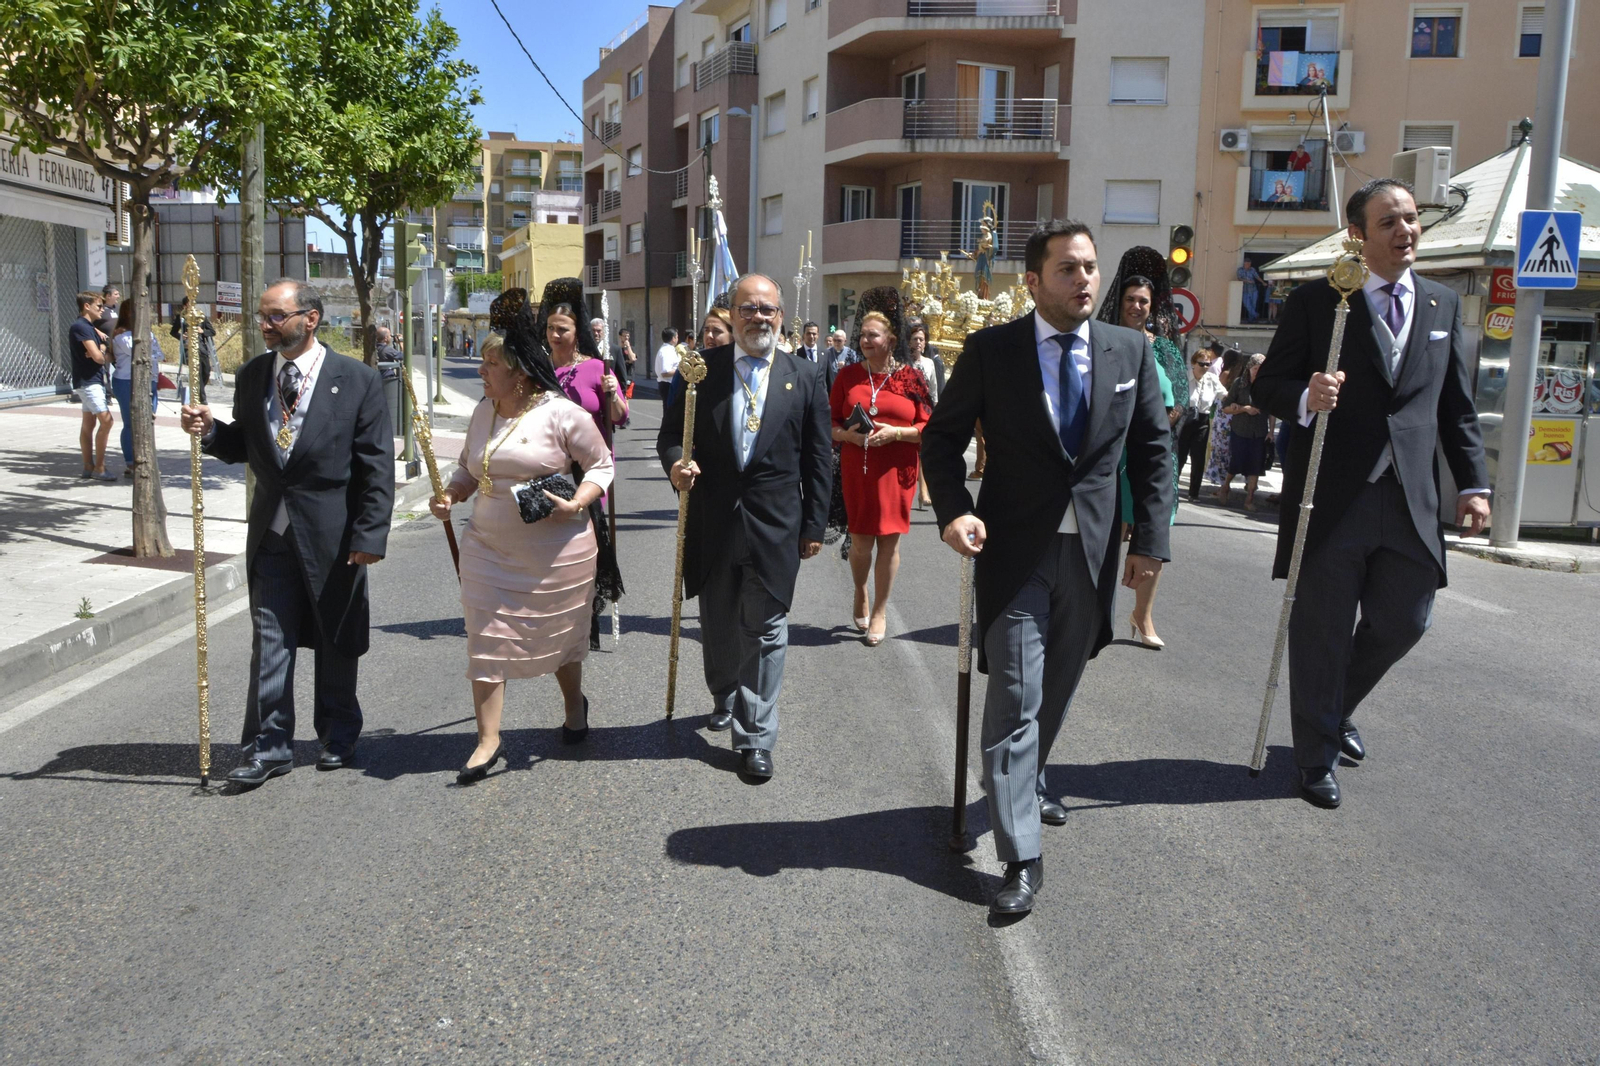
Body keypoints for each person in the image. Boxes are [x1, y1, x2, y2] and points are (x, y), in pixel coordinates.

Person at [922, 220, 1173, 916]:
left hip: (1091, 556)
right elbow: (941, 441)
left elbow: (1153, 452)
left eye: (1090, 267)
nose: (1085, 280)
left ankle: (1023, 783)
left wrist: (1151, 539)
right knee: (1016, 701)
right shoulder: (992, 351)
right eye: (1067, 269)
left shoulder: (1130, 351)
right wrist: (953, 512)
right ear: (1033, 282)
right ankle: (1021, 856)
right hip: (1013, 552)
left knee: (1054, 691)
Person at [1254, 177, 1489, 810]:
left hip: (1410, 499)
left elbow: (1455, 410)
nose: (1405, 231)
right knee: (1322, 632)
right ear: (1359, 235)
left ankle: (1334, 709)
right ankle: (1313, 758)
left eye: (1411, 219)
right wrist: (1307, 397)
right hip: (1332, 498)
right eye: (1388, 222)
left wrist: (1473, 484)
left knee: (1404, 620)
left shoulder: (1442, 305)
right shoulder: (1319, 301)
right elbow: (1267, 386)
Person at [179, 279, 394, 788]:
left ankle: (338, 734)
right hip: (272, 534)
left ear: (309, 318)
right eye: (262, 316)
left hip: (335, 535)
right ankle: (269, 746)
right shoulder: (254, 375)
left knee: (336, 637)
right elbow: (246, 444)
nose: (266, 324)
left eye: (276, 315)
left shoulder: (356, 379)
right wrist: (210, 432)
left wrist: (370, 533)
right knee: (270, 639)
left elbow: (376, 465)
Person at [430, 298, 616, 780]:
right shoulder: (483, 413)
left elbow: (600, 465)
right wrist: (451, 494)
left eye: (491, 364)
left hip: (558, 552)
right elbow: (471, 469)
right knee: (485, 640)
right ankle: (488, 740)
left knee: (561, 640)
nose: (481, 371)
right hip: (487, 549)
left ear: (521, 374)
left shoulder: (561, 413)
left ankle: (575, 707)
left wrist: (580, 502)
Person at [657, 273, 832, 781]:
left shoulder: (804, 376)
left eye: (768, 310)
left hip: (776, 525)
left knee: (766, 631)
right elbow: (673, 435)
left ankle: (755, 736)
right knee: (718, 625)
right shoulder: (698, 372)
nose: (759, 318)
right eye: (749, 309)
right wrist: (675, 465)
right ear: (733, 315)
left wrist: (815, 522)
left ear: (781, 317)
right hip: (713, 520)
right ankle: (723, 692)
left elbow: (819, 458)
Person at [829, 288, 932, 646]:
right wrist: (848, 436)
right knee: (860, 543)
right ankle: (860, 590)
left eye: (872, 336)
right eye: (862, 335)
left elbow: (928, 427)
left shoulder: (912, 379)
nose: (865, 341)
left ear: (891, 339)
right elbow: (828, 424)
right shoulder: (847, 376)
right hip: (858, 468)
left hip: (897, 471)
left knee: (888, 543)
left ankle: (880, 612)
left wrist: (899, 433)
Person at [1095, 255, 1186, 650]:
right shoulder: (1100, 339)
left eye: (1143, 301)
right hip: (1112, 453)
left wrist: (1157, 423)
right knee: (1105, 535)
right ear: (1120, 302)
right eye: (1130, 299)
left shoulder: (1165, 348)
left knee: (1152, 534)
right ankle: (1094, 611)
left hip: (1151, 452)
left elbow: (1180, 397)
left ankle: (1142, 616)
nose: (1136, 306)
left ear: (1153, 306)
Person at [539, 279, 628, 652]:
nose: (556, 335)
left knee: (586, 546)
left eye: (563, 329)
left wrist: (612, 394)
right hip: (549, 469)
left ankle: (583, 621)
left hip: (590, 471)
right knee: (551, 546)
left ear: (578, 333)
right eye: (550, 329)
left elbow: (619, 417)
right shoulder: (538, 369)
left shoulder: (596, 369)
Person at [109, 300, 164, 479]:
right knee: (131, 423)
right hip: (127, 382)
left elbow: (158, 355)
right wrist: (152, 352)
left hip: (150, 381)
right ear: (130, 313)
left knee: (148, 421)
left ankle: (146, 460)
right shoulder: (122, 336)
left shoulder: (148, 334)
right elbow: (143, 354)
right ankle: (131, 462)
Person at [69, 290, 116, 480]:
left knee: (89, 423)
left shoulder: (88, 326)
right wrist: (100, 351)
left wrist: (101, 348)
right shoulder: (81, 327)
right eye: (99, 306)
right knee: (107, 421)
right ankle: (100, 468)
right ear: (87, 306)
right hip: (89, 382)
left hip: (90, 380)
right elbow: (98, 358)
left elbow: (101, 352)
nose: (102, 309)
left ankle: (88, 466)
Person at [1221, 353, 1268, 510]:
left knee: (1255, 466)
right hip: (1240, 430)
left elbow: (1272, 410)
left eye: (1261, 369)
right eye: (1255, 368)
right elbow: (1226, 408)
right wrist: (1243, 409)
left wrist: (1270, 431)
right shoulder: (1239, 384)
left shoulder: (1267, 385)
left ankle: (1249, 499)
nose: (1257, 372)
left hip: (1259, 431)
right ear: (1249, 368)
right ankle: (1225, 487)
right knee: (1237, 462)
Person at [1179, 349, 1225, 500]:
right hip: (1185, 420)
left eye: (1208, 364)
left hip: (1202, 422)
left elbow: (1225, 395)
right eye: (1202, 364)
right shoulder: (1184, 377)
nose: (1205, 367)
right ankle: (1172, 489)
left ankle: (1193, 493)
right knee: (1180, 457)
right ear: (1193, 363)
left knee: (1198, 459)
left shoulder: (1212, 379)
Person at [908, 318, 943, 509]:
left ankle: (923, 491)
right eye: (915, 339)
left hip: (924, 411)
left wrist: (935, 412)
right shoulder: (902, 362)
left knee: (924, 450)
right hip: (906, 410)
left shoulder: (930, 363)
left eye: (921, 339)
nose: (919, 342)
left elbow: (934, 390)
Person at [1203, 349, 1243, 491]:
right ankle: (1225, 479)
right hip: (1233, 414)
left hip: (1222, 412)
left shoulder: (1225, 374)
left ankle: (1219, 478)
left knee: (1218, 446)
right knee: (1227, 448)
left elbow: (1217, 391)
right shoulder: (1240, 376)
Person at [170, 297, 215, 404]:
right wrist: (182, 336)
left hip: (202, 348)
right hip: (188, 348)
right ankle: (202, 398)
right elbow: (173, 332)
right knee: (196, 372)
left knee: (206, 372)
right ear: (185, 305)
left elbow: (212, 331)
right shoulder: (181, 317)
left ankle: (198, 391)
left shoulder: (201, 316)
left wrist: (202, 331)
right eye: (190, 304)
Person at [823, 327, 857, 392]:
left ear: (845, 341)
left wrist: (846, 365)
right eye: (834, 340)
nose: (836, 343)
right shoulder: (827, 352)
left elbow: (856, 370)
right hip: (831, 388)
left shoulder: (851, 353)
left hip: (846, 387)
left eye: (839, 341)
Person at [654, 327, 680, 402]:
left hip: (669, 384)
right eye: (677, 337)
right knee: (669, 410)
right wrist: (681, 370)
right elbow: (665, 372)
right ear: (673, 338)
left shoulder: (669, 349)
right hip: (668, 384)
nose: (678, 339)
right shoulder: (667, 351)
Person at [1237, 258, 1264, 322]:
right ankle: (1255, 315)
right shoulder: (1240, 270)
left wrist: (1263, 282)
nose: (1249, 265)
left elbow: (1257, 276)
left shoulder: (1252, 269)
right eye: (1247, 264)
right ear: (1244, 264)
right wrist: (1247, 281)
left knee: (1253, 305)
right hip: (1245, 290)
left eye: (1249, 264)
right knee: (1247, 304)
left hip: (1253, 290)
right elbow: (1239, 278)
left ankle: (1251, 319)